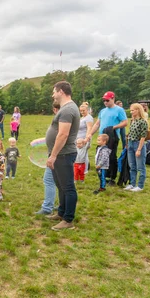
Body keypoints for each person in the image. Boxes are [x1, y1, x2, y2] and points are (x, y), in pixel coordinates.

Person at [45, 81, 80, 231]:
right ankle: (61, 213)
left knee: (68, 187)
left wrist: (53, 156)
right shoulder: (66, 108)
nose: (52, 94)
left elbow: (63, 134)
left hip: (63, 154)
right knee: (61, 186)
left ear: (61, 91)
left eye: (54, 91)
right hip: (60, 154)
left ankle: (68, 220)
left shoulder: (68, 110)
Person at [84, 91, 128, 185]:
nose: (105, 102)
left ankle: (112, 177)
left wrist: (114, 127)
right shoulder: (103, 111)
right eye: (104, 100)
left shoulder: (119, 110)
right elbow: (97, 123)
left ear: (113, 99)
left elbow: (125, 122)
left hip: (112, 136)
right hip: (102, 136)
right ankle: (105, 176)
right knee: (101, 156)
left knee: (111, 157)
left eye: (107, 100)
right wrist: (90, 134)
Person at [35, 101, 60, 216]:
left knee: (49, 180)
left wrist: (53, 155)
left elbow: (62, 137)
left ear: (55, 110)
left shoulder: (62, 119)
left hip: (57, 155)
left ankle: (47, 208)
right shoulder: (64, 118)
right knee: (60, 181)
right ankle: (61, 205)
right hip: (58, 154)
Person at [125, 103, 149, 192]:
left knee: (140, 166)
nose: (131, 112)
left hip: (138, 143)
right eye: (130, 110)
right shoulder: (133, 120)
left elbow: (143, 136)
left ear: (138, 110)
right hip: (131, 143)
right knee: (132, 166)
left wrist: (139, 149)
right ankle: (132, 183)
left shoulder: (143, 121)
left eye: (133, 110)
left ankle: (140, 186)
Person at [77, 103, 94, 173]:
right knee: (81, 154)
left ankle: (84, 170)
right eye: (81, 111)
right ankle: (81, 169)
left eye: (83, 110)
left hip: (84, 139)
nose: (82, 112)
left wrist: (86, 139)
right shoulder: (82, 118)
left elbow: (89, 128)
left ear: (87, 110)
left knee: (83, 155)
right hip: (79, 139)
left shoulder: (88, 118)